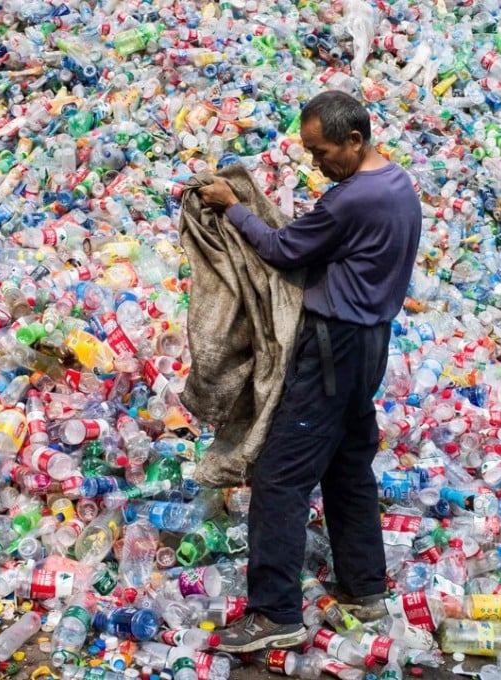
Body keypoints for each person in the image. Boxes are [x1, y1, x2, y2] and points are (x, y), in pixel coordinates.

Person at [196, 90, 422, 653]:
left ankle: (274, 613)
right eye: (309, 152)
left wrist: (233, 205)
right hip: (371, 343)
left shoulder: (352, 200)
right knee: (348, 468)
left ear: (355, 140)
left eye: (323, 152)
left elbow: (280, 248)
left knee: (280, 477)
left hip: (332, 349)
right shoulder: (397, 185)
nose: (317, 164)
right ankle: (365, 589)